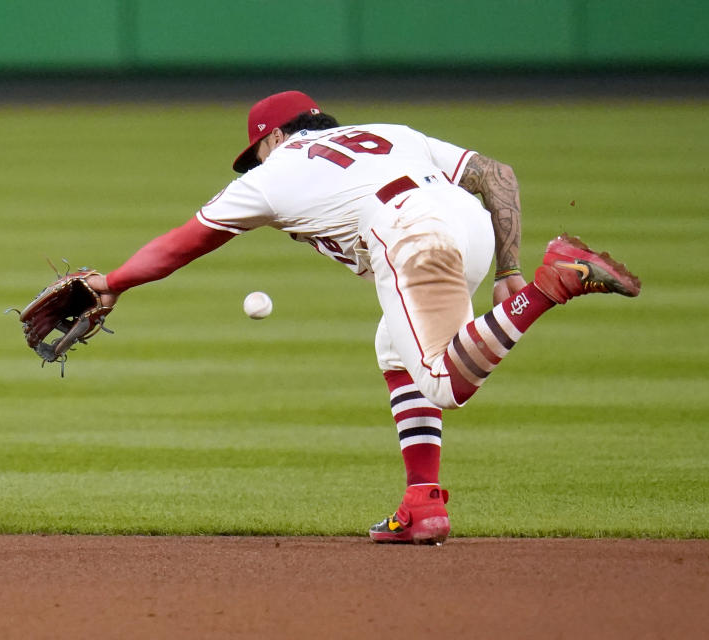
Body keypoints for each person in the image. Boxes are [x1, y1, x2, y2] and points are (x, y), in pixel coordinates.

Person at [84, 91, 640, 544]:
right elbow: (497, 176)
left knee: (444, 381)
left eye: (255, 150)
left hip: (410, 234)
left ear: (274, 138)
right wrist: (505, 268)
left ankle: (553, 285)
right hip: (466, 224)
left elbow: (180, 245)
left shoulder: (270, 175)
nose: (254, 161)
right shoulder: (394, 133)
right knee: (395, 347)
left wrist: (111, 283)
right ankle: (423, 504)